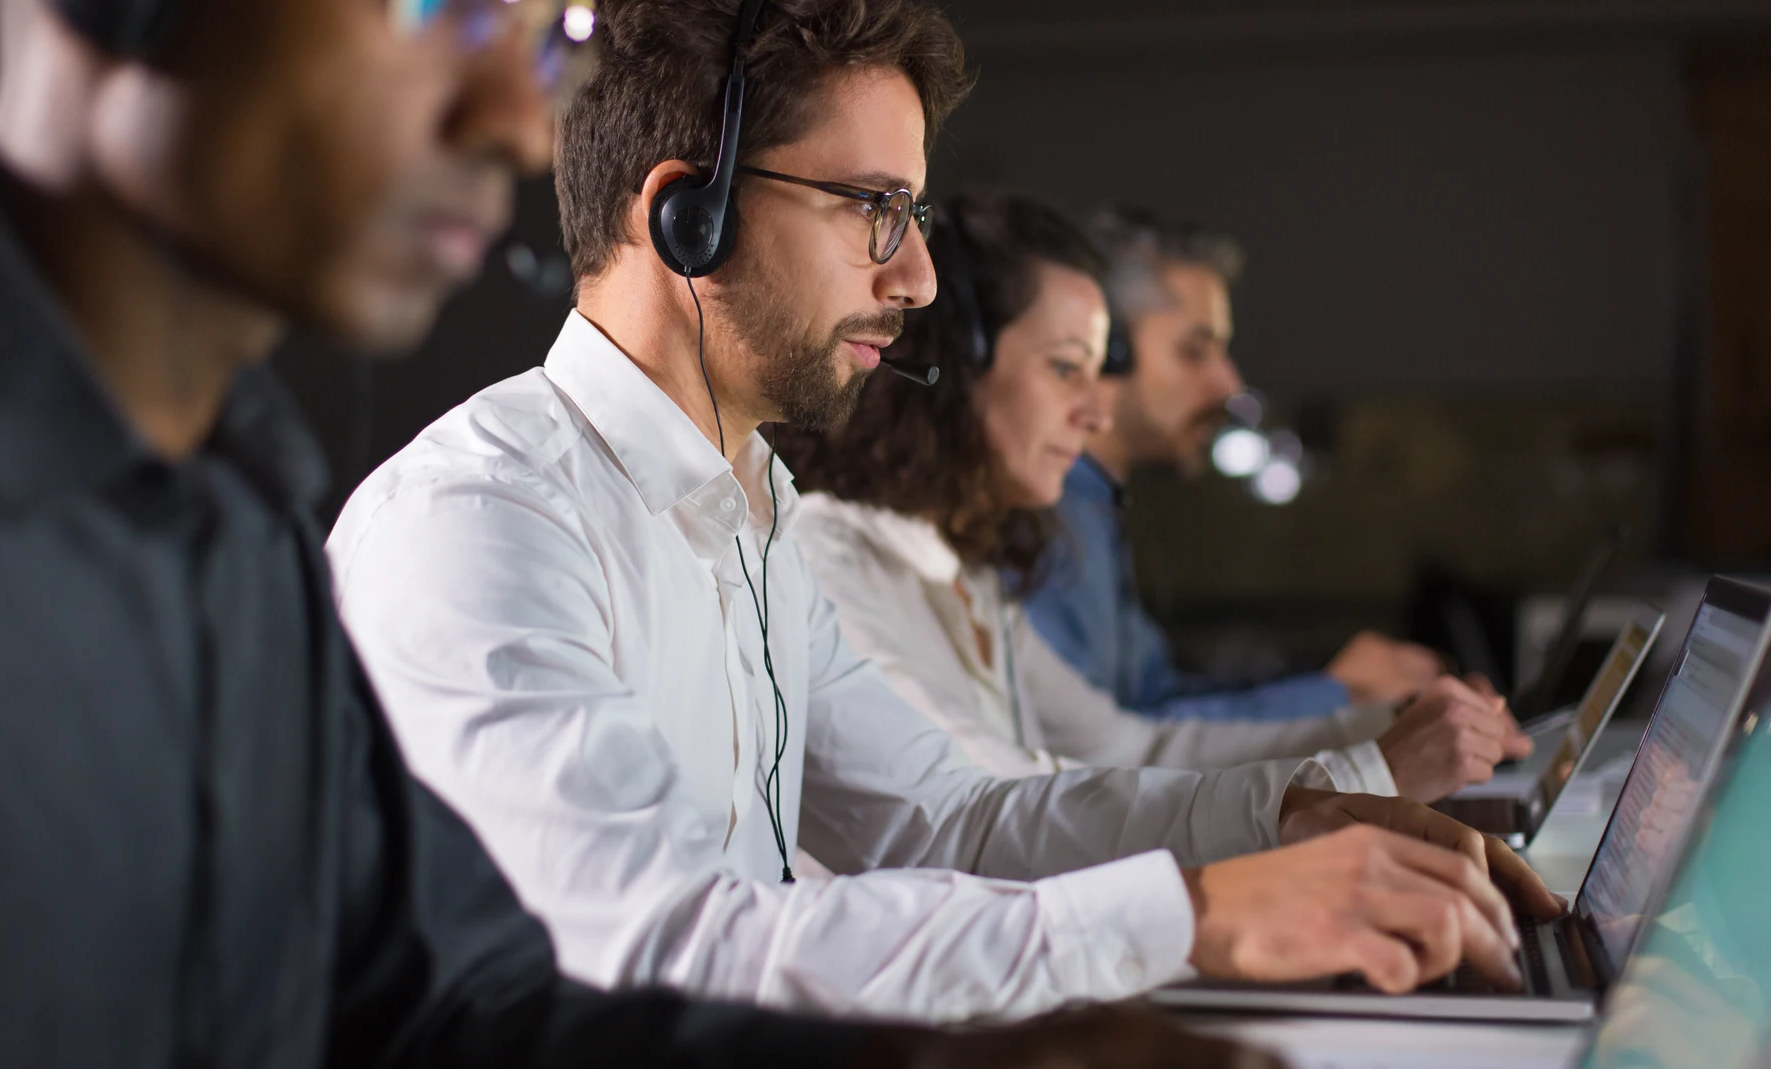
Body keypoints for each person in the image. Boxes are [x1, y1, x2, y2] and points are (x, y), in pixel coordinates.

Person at [0, 0, 1278, 1064]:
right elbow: (629, 949)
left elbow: (456, 1014)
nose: (519, 124)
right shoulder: (459, 521)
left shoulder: (234, 532)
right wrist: (1180, 917)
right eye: (433, 13)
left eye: (530, 36)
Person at [327, 0, 1563, 1028]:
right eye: (873, 208)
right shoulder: (482, 524)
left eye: (911, 218)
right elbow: (655, 945)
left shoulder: (749, 514)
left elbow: (949, 816)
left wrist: (1288, 815)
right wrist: (1200, 917)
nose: (914, 278)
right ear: (684, 219)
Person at [777, 192, 1531, 804]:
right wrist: (1363, 770)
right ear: (955, 367)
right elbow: (988, 812)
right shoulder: (831, 561)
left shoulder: (962, 570)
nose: (1097, 411)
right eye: (1067, 369)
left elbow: (1132, 748)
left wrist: (1380, 728)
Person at [1025, 206, 1446, 722]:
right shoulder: (1043, 513)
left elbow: (1152, 701)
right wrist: (1335, 695)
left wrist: (1336, 685)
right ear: (1105, 349)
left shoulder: (1093, 509)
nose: (1228, 383)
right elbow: (1097, 748)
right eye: (1195, 351)